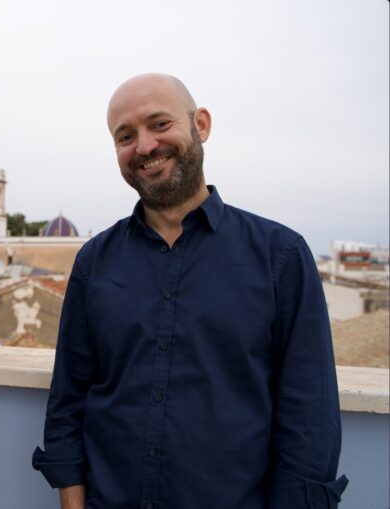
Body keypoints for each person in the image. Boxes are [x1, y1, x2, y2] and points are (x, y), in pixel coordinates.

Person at [32, 73, 348, 509]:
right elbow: (69, 398)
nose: (144, 146)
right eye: (126, 136)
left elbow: (309, 417)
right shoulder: (94, 261)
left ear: (200, 124)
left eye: (160, 124)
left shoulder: (281, 255)